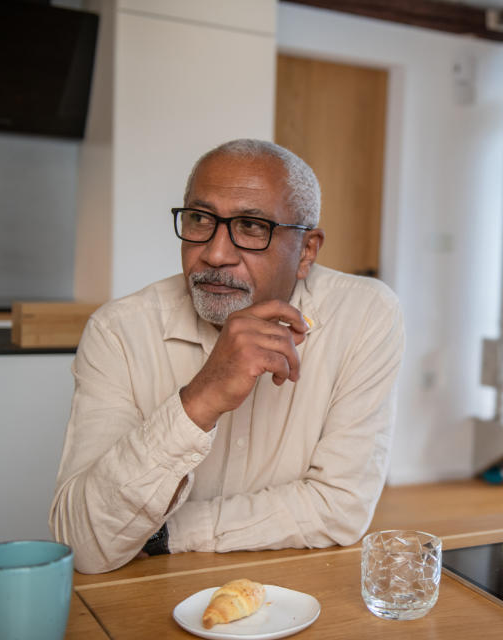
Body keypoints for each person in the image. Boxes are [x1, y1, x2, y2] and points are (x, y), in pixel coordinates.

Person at [49, 139, 404, 574]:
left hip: (297, 592)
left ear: (307, 251)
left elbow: (340, 507)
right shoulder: (118, 331)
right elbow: (84, 544)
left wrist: (166, 534)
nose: (215, 254)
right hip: (151, 595)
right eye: (200, 219)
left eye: (252, 227)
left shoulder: (364, 314)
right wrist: (199, 400)